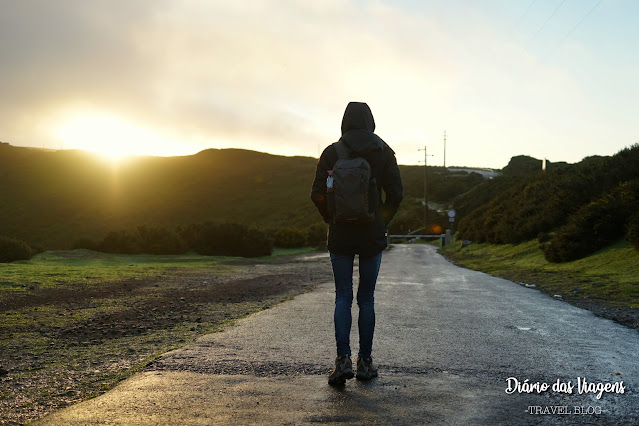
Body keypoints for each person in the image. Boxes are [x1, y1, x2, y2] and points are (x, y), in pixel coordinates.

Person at [310, 101, 403, 386]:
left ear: (344, 122)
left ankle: (342, 361)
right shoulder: (384, 151)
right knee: (366, 298)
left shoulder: (331, 153)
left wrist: (332, 218)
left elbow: (318, 194)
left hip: (340, 234)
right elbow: (396, 194)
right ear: (370, 122)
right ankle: (365, 362)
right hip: (371, 235)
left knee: (342, 296)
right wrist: (381, 221)